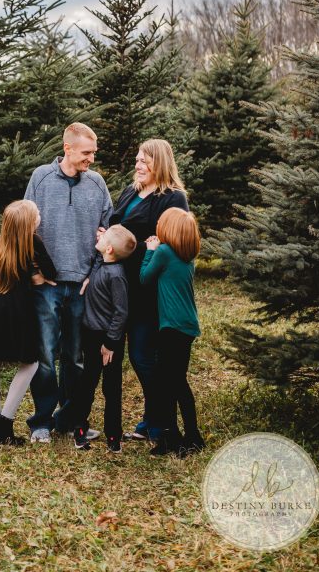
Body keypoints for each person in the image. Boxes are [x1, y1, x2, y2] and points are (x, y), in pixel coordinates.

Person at [24, 122, 113, 443]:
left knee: (75, 358)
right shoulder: (41, 178)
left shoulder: (97, 184)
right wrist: (34, 271)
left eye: (94, 152)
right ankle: (42, 422)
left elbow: (109, 231)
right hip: (46, 285)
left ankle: (72, 419)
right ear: (68, 149)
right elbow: (24, 228)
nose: (92, 158)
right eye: (87, 152)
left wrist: (95, 274)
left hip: (81, 286)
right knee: (46, 355)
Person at [109, 139, 189, 443]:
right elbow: (116, 222)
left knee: (143, 356)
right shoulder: (131, 191)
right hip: (121, 285)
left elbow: (173, 243)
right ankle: (150, 419)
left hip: (148, 288)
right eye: (138, 160)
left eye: (146, 161)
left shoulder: (173, 198)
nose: (139, 166)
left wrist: (133, 248)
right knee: (133, 356)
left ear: (161, 164)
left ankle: (160, 423)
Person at [0, 199, 58, 446]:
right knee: (31, 363)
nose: (40, 216)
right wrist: (40, 277)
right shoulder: (32, 242)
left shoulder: (0, 243)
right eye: (37, 214)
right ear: (29, 224)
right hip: (18, 310)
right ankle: (5, 423)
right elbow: (52, 272)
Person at [140, 207, 205, 457]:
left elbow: (145, 278)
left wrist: (149, 251)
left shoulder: (165, 252)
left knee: (173, 383)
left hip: (171, 327)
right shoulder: (187, 258)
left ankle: (189, 436)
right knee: (173, 382)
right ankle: (175, 436)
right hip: (185, 326)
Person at [71, 224, 137, 454]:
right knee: (87, 382)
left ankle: (113, 434)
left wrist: (110, 343)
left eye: (103, 236)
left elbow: (122, 313)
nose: (98, 235)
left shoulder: (117, 276)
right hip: (90, 335)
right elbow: (99, 261)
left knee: (111, 386)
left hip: (109, 340)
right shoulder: (103, 263)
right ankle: (79, 428)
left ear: (109, 249)